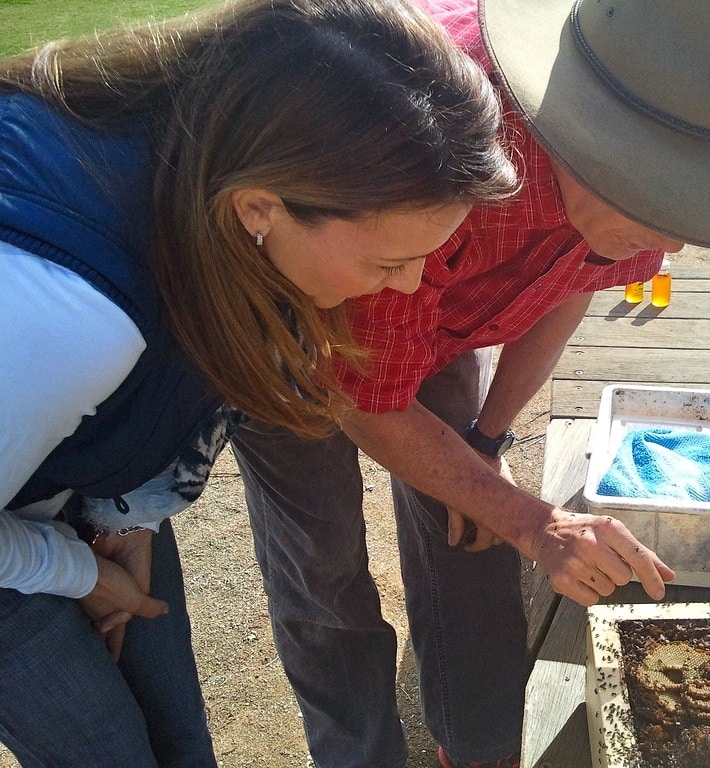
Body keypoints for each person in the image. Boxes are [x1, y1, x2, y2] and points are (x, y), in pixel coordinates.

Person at [231, 0, 710, 766]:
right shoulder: (439, 158)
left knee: (471, 529)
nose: (677, 238)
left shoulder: (628, 191)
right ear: (593, 143)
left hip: (433, 304)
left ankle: (478, 743)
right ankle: (358, 753)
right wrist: (533, 522)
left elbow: (573, 282)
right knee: (321, 564)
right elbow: (364, 398)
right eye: (667, 194)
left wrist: (488, 441)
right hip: (299, 307)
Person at [0, 0, 520, 765]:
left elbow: (172, 394)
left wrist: (128, 516)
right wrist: (77, 573)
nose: (409, 290)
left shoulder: (225, 188)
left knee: (176, 740)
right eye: (387, 264)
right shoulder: (68, 318)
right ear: (260, 209)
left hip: (75, 486)